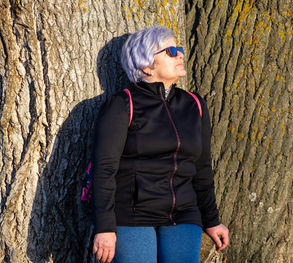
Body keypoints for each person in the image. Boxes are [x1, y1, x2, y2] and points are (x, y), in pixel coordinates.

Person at [91, 26, 229, 263]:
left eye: (180, 50)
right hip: (133, 216)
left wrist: (212, 220)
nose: (180, 55)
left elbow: (202, 168)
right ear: (146, 65)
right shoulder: (123, 104)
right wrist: (104, 227)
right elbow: (104, 169)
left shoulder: (194, 104)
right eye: (171, 51)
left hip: (184, 215)